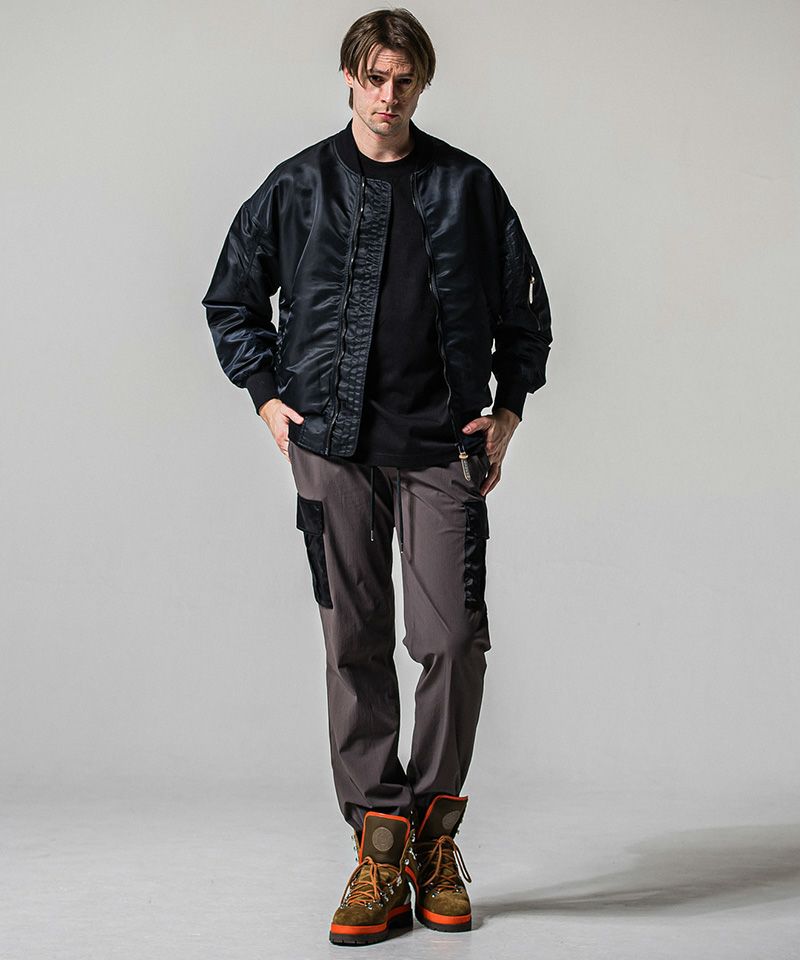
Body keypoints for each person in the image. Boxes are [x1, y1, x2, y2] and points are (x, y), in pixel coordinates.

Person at [202, 7, 552, 947]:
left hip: (442, 446)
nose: (388, 96)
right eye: (374, 78)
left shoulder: (467, 186)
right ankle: (379, 849)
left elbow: (526, 311)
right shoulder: (300, 184)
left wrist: (508, 412)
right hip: (333, 448)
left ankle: (434, 841)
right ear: (350, 78)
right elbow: (232, 295)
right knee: (352, 643)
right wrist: (267, 396)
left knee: (452, 640)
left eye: (404, 81)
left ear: (421, 85)